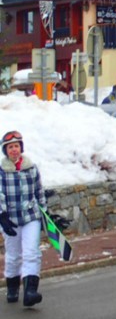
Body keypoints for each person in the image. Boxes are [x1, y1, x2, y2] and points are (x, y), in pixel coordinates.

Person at [0, 131, 47, 307]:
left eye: (17, 146)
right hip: (10, 218)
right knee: (13, 255)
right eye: (10, 147)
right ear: (6, 150)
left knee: (31, 252)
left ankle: (30, 291)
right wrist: (2, 214)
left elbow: (39, 192)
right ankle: (12, 287)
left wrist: (45, 214)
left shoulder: (31, 168)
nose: (14, 150)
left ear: (21, 148)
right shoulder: (2, 171)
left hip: (30, 216)